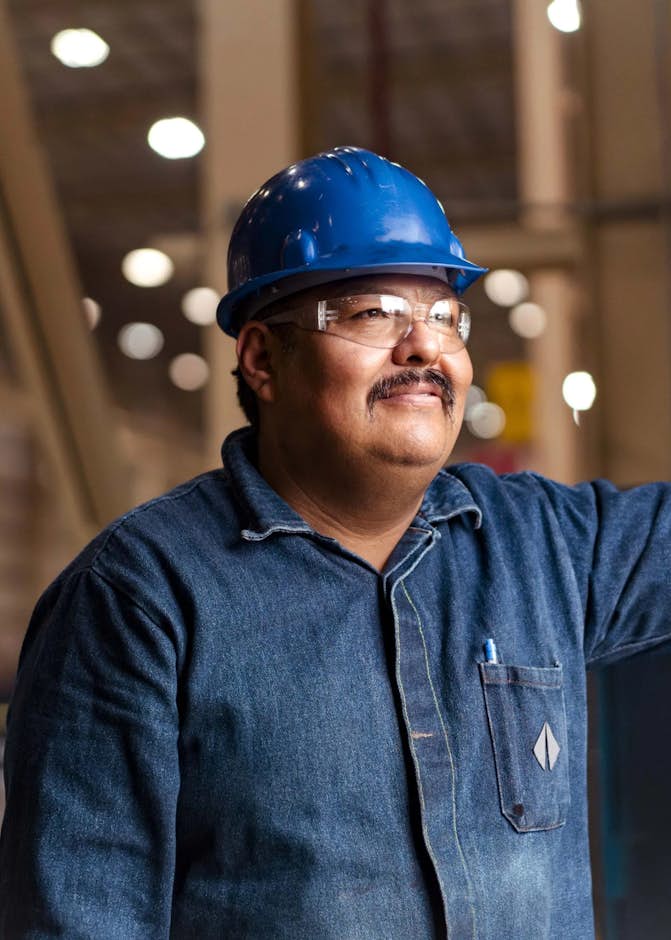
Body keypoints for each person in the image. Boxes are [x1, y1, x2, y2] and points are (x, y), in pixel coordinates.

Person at [0, 145, 670, 940]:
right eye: (371, 314)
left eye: (443, 316)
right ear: (261, 359)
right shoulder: (141, 600)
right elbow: (76, 920)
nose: (423, 347)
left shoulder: (545, 548)